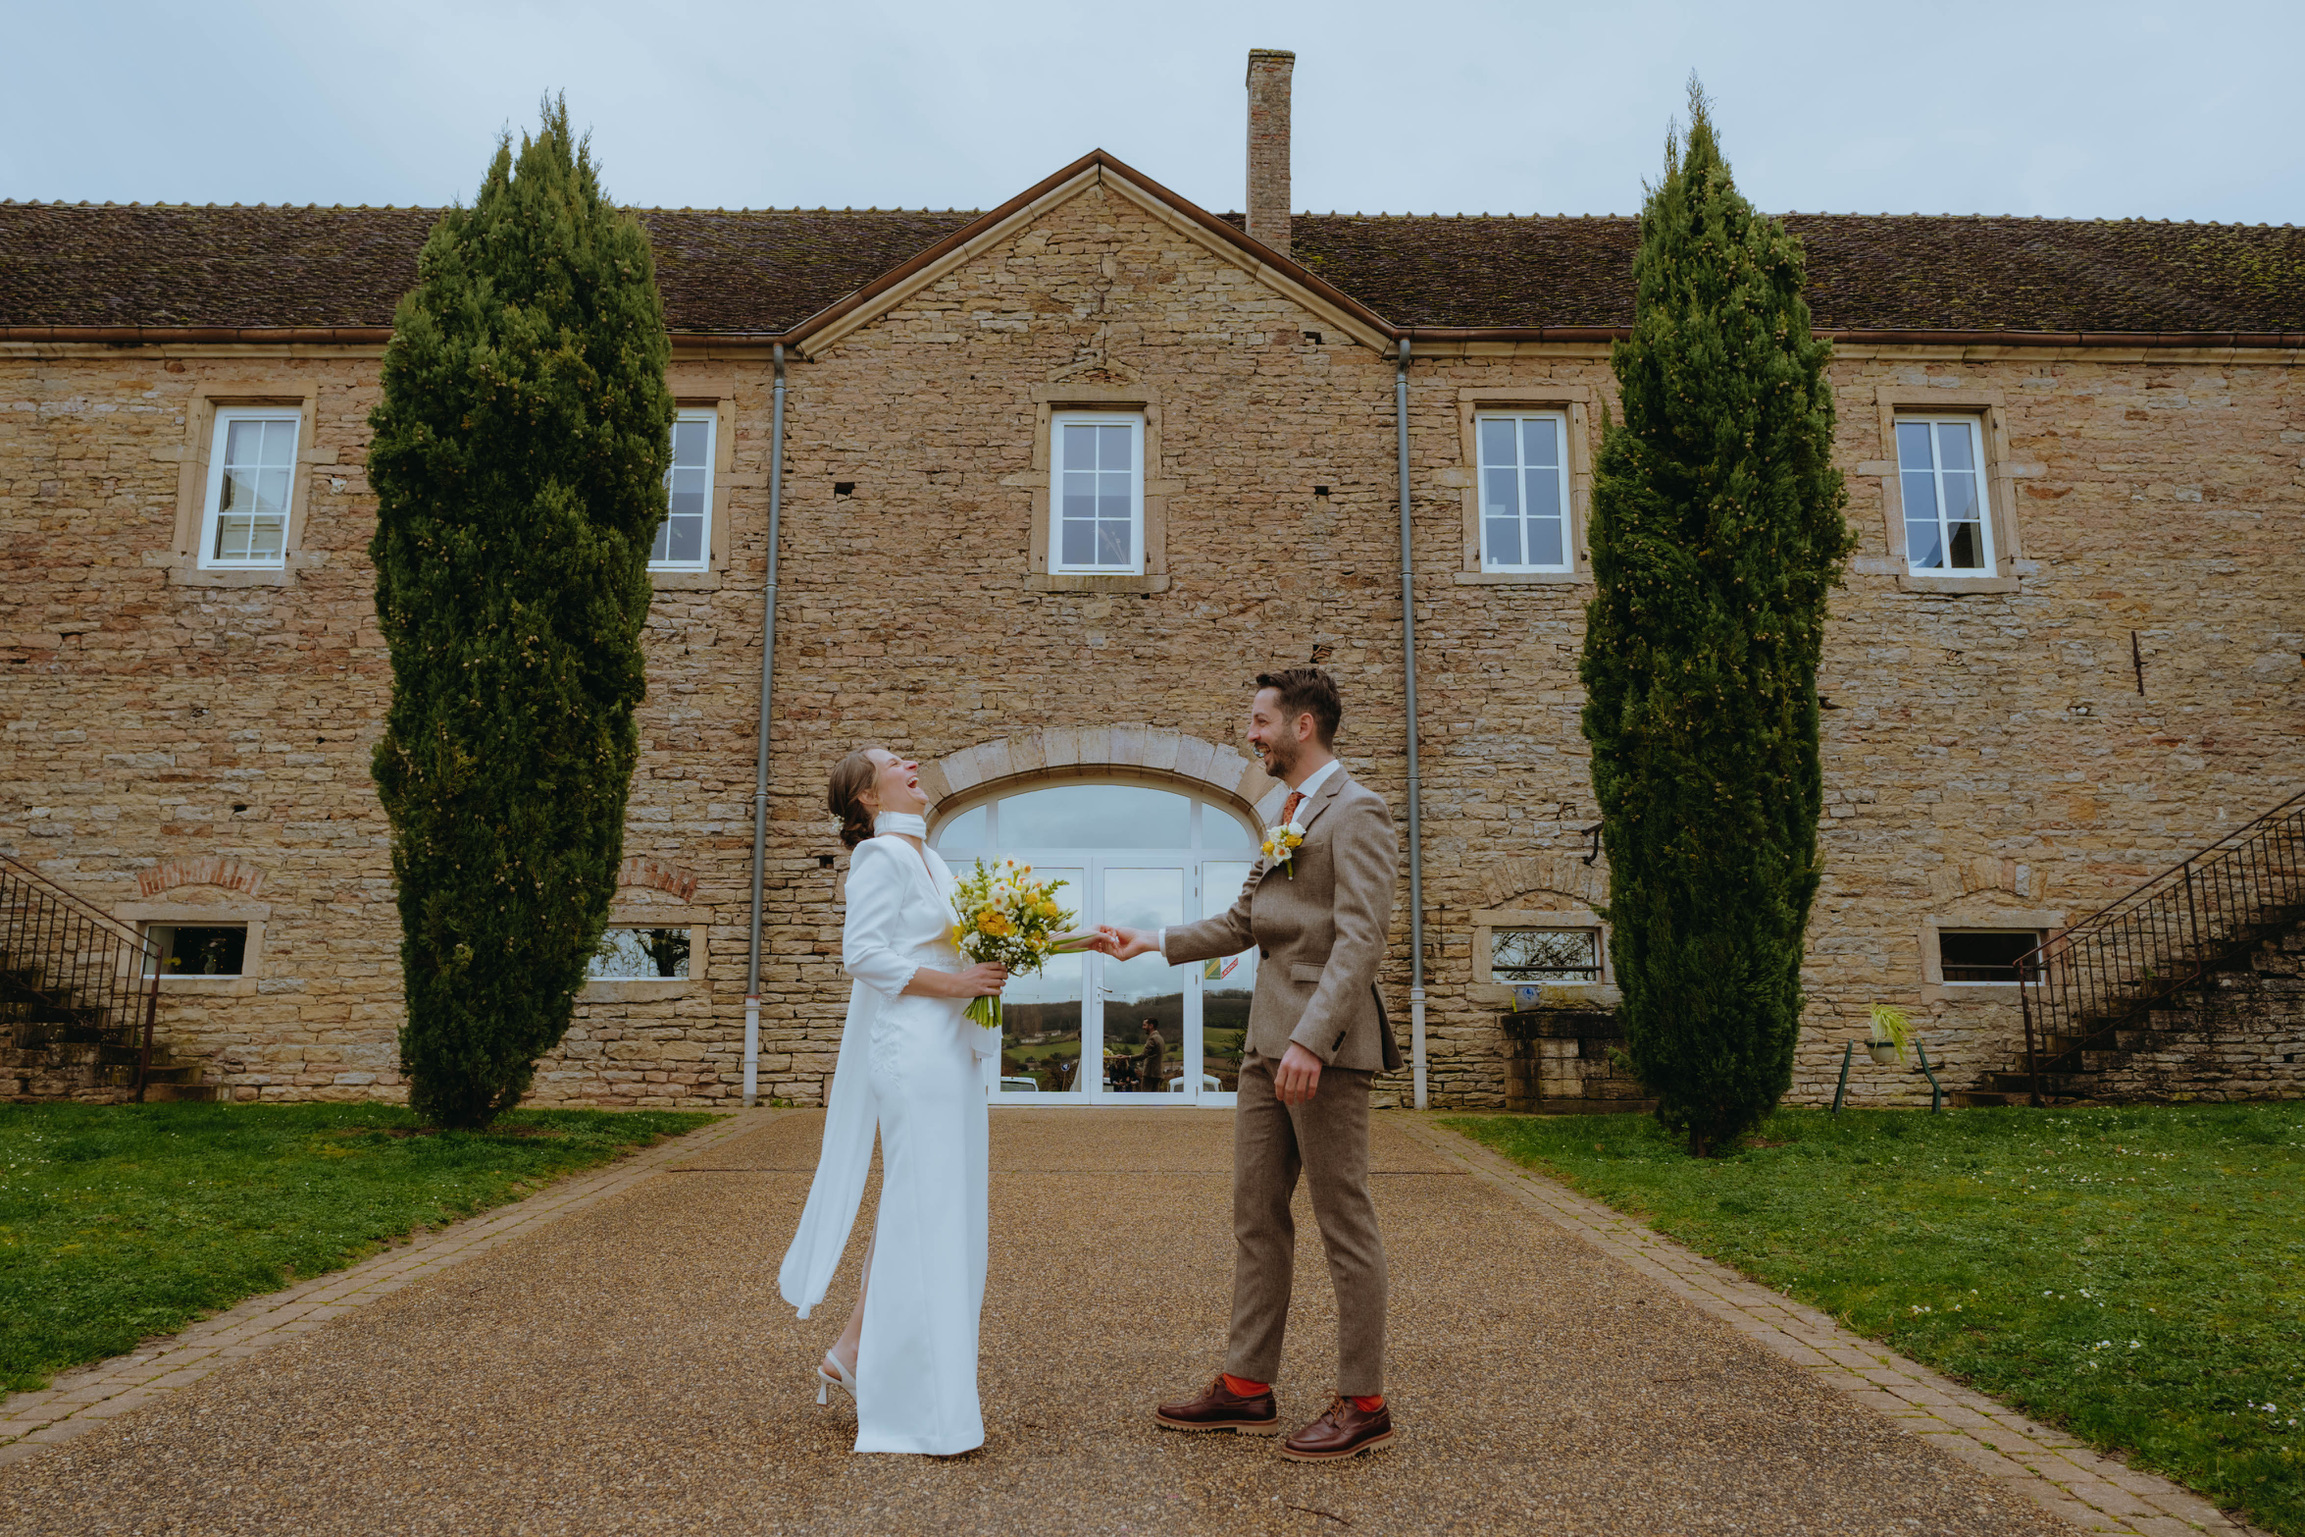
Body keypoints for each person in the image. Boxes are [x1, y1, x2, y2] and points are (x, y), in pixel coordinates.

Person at [1096, 667, 1403, 1462]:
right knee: (1255, 1214)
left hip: (1321, 1050)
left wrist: (1310, 1040)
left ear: (1303, 725)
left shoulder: (1357, 810)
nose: (1250, 732)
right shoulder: (1287, 812)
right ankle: (1246, 1385)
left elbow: (1359, 940)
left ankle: (1362, 1399)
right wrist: (1154, 941)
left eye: (1260, 720)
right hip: (1265, 1048)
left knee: (1344, 1221)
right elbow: (1246, 919)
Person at [777, 747, 1007, 1456]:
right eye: (891, 760)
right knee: (924, 1206)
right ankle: (917, 1408)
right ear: (867, 798)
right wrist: (960, 984)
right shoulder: (879, 859)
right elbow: (864, 955)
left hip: (949, 1051)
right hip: (913, 1051)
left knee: (934, 1205)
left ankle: (851, 1349)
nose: (910, 761)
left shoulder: (929, 858)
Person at [1139, 1017, 1168, 1090]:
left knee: (1146, 1098)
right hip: (1157, 1074)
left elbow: (1143, 1055)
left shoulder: (1152, 1038)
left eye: (1144, 1025)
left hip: (1149, 1074)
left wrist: (1128, 1057)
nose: (1143, 1027)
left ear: (1151, 1026)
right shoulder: (1160, 1038)